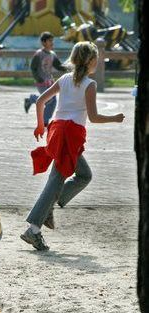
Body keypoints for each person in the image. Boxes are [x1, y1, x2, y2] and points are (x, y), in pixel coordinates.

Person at [20, 42, 125, 251]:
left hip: (57, 130)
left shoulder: (65, 79)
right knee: (57, 179)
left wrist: (40, 125)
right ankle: (34, 228)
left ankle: (46, 211)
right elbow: (93, 117)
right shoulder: (89, 84)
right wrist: (115, 118)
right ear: (92, 61)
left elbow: (41, 101)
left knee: (82, 174)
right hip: (70, 134)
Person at [24, 32, 67, 126]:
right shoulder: (38, 54)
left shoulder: (53, 54)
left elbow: (58, 66)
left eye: (52, 41)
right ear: (43, 42)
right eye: (50, 41)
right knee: (48, 100)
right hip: (41, 82)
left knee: (53, 102)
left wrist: (68, 67)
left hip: (50, 81)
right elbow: (33, 68)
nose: (52, 43)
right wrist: (38, 78)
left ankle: (45, 121)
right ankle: (31, 99)